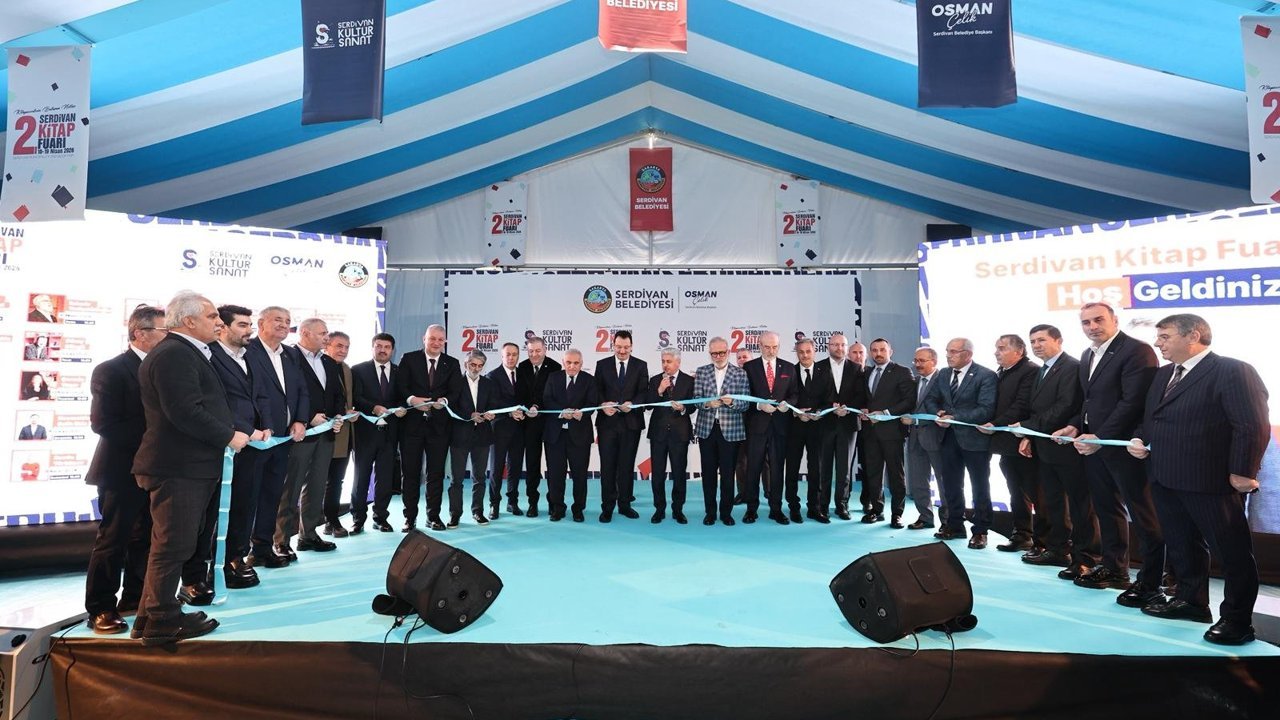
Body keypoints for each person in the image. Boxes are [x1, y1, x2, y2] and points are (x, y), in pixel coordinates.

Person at [1127, 314, 1270, 645]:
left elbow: (1251, 425)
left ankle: (1237, 620)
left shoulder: (1233, 370)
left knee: (1232, 554)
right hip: (1165, 477)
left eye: (1165, 336)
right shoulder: (1164, 374)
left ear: (1193, 336)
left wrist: (1244, 471)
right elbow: (1153, 419)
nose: (1157, 343)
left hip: (1211, 481)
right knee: (1181, 545)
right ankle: (1191, 602)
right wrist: (1139, 438)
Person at [131, 291, 248, 645]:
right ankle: (163, 619)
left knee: (171, 545)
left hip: (185, 466)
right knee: (173, 546)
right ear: (188, 321)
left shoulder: (183, 352)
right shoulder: (175, 354)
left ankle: (148, 618)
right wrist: (228, 435)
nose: (219, 321)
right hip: (178, 467)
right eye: (212, 316)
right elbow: (184, 411)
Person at [1057, 302, 1164, 609]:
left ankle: (1151, 580)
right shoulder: (1088, 354)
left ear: (1115, 320)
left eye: (1098, 319)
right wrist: (1074, 426)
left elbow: (1133, 402)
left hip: (1126, 447)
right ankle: (1115, 569)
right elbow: (1089, 402)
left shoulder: (1137, 350)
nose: (1092, 326)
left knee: (1144, 515)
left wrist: (1101, 437)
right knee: (1106, 510)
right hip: (1094, 446)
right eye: (1086, 322)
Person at [82, 305, 164, 635]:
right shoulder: (111, 370)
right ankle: (100, 607)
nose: (168, 338)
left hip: (157, 470)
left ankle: (135, 597)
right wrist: (155, 441)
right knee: (113, 539)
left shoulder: (165, 369)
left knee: (146, 537)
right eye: (163, 331)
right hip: (120, 470)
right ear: (140, 334)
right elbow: (104, 423)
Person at [198, 305, 270, 599]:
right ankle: (206, 567)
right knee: (215, 509)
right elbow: (217, 402)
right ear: (223, 327)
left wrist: (265, 427)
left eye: (250, 325)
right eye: (242, 325)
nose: (248, 330)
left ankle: (236, 558)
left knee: (245, 503)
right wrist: (245, 430)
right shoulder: (209, 357)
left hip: (253, 444)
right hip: (223, 443)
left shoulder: (251, 356)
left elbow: (262, 395)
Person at [1017, 325, 1099, 575]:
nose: (1036, 345)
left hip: (1068, 448)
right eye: (1033, 341)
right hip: (1045, 448)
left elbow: (1066, 405)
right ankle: (1058, 550)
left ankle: (1086, 559)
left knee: (1080, 506)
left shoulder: (1071, 367)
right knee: (1053, 503)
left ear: (1058, 340)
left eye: (1042, 340)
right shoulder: (1042, 370)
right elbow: (1037, 407)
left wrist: (1028, 427)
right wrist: (1029, 436)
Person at [243, 306, 308, 569]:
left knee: (272, 496)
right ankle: (236, 556)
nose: (284, 324)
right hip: (256, 438)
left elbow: (301, 390)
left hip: (282, 441)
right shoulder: (247, 350)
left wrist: (300, 420)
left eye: (287, 321)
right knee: (248, 498)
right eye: (277, 320)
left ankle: (262, 549)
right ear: (260, 324)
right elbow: (249, 394)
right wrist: (263, 428)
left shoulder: (291, 354)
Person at [918, 338, 997, 549]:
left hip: (975, 439)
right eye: (947, 351)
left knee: (980, 486)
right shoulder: (944, 374)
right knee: (951, 484)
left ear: (968, 354)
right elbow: (930, 399)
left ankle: (980, 531)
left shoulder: (986, 375)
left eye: (954, 351)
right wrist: (938, 412)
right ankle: (954, 525)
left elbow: (986, 409)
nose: (948, 355)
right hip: (948, 438)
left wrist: (954, 417)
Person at [277, 318, 345, 553]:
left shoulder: (329, 362)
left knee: (316, 487)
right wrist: (306, 417)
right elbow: (285, 394)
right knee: (291, 488)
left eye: (327, 333)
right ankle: (281, 541)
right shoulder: (288, 357)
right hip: (299, 434)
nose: (327, 337)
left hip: (325, 435)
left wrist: (338, 417)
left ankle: (308, 535)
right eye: (322, 333)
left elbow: (337, 395)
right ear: (305, 333)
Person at [397, 324, 464, 532]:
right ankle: (409, 518)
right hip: (411, 427)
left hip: (439, 428)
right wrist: (412, 400)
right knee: (410, 474)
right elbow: (401, 387)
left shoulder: (452, 363)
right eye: (432, 338)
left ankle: (433, 516)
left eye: (440, 340)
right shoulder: (409, 359)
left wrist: (444, 401)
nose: (436, 343)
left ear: (445, 342)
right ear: (424, 339)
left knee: (436, 474)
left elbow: (456, 391)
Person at [981, 334, 1041, 552]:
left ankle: (1044, 541)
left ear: (1019, 351)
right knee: (1016, 493)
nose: (996, 352)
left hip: (1024, 444)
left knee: (1037, 494)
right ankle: (1022, 535)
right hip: (1006, 446)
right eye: (996, 348)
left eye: (1002, 348)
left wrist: (995, 423)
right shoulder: (1001, 372)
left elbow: (1022, 405)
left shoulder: (1031, 371)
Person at [858, 338, 916, 526]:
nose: (878, 353)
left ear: (891, 351)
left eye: (882, 349)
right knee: (873, 473)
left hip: (892, 432)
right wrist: (864, 410)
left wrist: (885, 413)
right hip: (870, 432)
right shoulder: (867, 372)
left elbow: (909, 401)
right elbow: (867, 399)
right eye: (874, 350)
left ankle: (897, 513)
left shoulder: (902, 371)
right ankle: (877, 510)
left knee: (895, 475)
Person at [350, 333, 404, 533]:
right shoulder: (358, 370)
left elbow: (403, 396)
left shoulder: (399, 372)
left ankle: (380, 517)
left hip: (390, 434)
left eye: (387, 347)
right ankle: (357, 519)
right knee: (361, 478)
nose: (382, 350)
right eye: (379, 346)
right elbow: (356, 397)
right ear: (372, 347)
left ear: (392, 350)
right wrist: (373, 408)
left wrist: (402, 408)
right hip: (365, 433)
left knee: (385, 478)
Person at [693, 337, 750, 525]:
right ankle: (710, 512)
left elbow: (746, 403)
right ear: (710, 353)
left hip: (731, 431)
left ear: (728, 352)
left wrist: (732, 402)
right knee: (708, 474)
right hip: (707, 430)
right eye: (714, 353)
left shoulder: (740, 374)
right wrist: (707, 404)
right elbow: (696, 399)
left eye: (721, 352)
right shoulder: (702, 372)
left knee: (728, 474)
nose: (718, 356)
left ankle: (726, 513)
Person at [743, 331, 798, 524]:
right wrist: (759, 405)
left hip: (780, 427)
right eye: (767, 347)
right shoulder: (749, 367)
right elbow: (744, 397)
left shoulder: (789, 367)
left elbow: (795, 394)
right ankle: (751, 509)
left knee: (777, 469)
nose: (771, 350)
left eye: (775, 347)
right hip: (756, 427)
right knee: (753, 469)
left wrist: (787, 404)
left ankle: (776, 509)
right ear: (759, 346)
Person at [594, 330, 648, 522]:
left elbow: (644, 392)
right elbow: (596, 390)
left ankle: (625, 505)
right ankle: (607, 507)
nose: (622, 350)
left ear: (631, 347)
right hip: (607, 424)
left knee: (626, 466)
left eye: (626, 347)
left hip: (631, 424)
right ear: (613, 346)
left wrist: (633, 404)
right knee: (607, 466)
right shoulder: (602, 365)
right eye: (619, 347)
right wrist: (602, 405)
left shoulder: (641, 365)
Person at [541, 349, 598, 522]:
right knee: (555, 475)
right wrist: (561, 412)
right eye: (568, 362)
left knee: (579, 475)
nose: (572, 366)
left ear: (581, 364)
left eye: (576, 363)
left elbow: (593, 403)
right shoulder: (553, 377)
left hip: (580, 435)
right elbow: (547, 400)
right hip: (555, 435)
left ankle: (578, 509)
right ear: (563, 362)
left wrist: (583, 413)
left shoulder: (589, 380)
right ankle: (557, 508)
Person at [814, 333, 866, 522]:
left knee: (844, 470)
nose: (839, 348)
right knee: (824, 468)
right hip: (825, 425)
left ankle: (842, 505)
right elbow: (815, 395)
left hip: (848, 424)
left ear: (846, 347)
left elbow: (861, 395)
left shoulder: (856, 368)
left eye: (842, 345)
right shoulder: (818, 367)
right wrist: (830, 407)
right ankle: (822, 506)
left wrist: (847, 408)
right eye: (835, 344)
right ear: (828, 346)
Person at [784, 338, 830, 524]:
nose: (804, 355)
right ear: (796, 353)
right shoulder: (790, 371)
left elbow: (829, 398)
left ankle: (814, 508)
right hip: (794, 428)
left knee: (816, 469)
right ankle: (793, 508)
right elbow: (785, 398)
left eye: (808, 351)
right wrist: (796, 413)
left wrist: (819, 412)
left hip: (818, 428)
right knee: (792, 469)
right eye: (801, 352)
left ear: (814, 351)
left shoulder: (825, 372)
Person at [448, 351, 497, 526]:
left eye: (479, 366)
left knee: (480, 477)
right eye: (472, 364)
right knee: (456, 479)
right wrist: (469, 415)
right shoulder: (455, 383)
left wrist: (491, 414)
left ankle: (478, 512)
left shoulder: (488, 383)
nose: (476, 368)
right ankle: (455, 514)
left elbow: (493, 405)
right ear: (465, 364)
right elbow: (450, 408)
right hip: (459, 436)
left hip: (482, 436)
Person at [646, 348, 695, 524]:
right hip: (658, 434)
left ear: (678, 362)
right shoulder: (655, 380)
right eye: (663, 361)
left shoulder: (689, 380)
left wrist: (683, 408)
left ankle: (678, 509)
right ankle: (659, 509)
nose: (665, 365)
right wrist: (659, 390)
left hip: (679, 434)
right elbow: (647, 405)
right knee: (658, 474)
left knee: (679, 473)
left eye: (668, 361)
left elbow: (693, 406)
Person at [516, 336, 560, 518]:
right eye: (531, 351)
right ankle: (532, 503)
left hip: (549, 423)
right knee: (532, 465)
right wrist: (526, 408)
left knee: (553, 465)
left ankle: (553, 502)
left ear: (545, 350)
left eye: (538, 350)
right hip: (529, 424)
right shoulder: (522, 367)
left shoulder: (556, 367)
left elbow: (554, 395)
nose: (534, 354)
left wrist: (537, 407)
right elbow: (519, 393)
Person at [902, 347, 944, 530]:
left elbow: (944, 410)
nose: (917, 364)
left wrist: (917, 419)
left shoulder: (943, 380)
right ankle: (925, 517)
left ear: (934, 361)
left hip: (937, 438)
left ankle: (947, 521)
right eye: (916, 360)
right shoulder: (916, 381)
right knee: (918, 480)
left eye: (922, 361)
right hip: (915, 438)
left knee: (944, 482)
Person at [322, 331, 355, 537]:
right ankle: (312, 528)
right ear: (327, 346)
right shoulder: (319, 367)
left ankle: (331, 520)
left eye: (346, 347)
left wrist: (349, 413)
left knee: (336, 480)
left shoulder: (347, 370)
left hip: (343, 435)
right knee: (318, 482)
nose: (343, 350)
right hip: (320, 433)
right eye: (339, 346)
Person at [487, 342, 526, 519]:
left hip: (519, 429)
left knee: (515, 467)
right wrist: (510, 412)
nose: (511, 357)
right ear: (502, 356)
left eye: (514, 354)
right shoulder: (492, 376)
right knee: (496, 468)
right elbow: (492, 403)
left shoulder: (523, 375)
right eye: (508, 354)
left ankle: (512, 502)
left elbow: (526, 398)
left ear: (518, 356)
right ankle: (494, 504)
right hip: (499, 429)